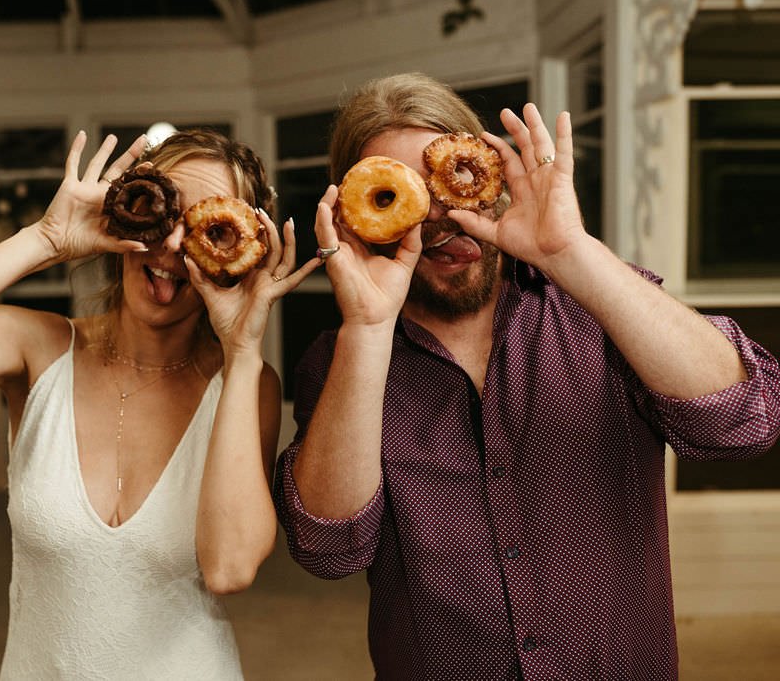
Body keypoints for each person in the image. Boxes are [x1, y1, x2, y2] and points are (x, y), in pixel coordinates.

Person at [273, 72, 780, 679]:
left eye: (447, 180)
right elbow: (329, 548)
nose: (439, 215)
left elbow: (746, 423)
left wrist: (571, 253)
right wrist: (368, 329)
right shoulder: (342, 361)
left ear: (489, 178)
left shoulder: (597, 311)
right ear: (358, 217)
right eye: (402, 192)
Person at [0, 128, 319, 679]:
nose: (169, 248)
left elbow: (229, 567)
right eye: (164, 214)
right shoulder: (39, 349)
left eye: (203, 225)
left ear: (237, 252)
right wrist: (44, 238)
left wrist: (243, 346)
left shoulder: (244, 382)